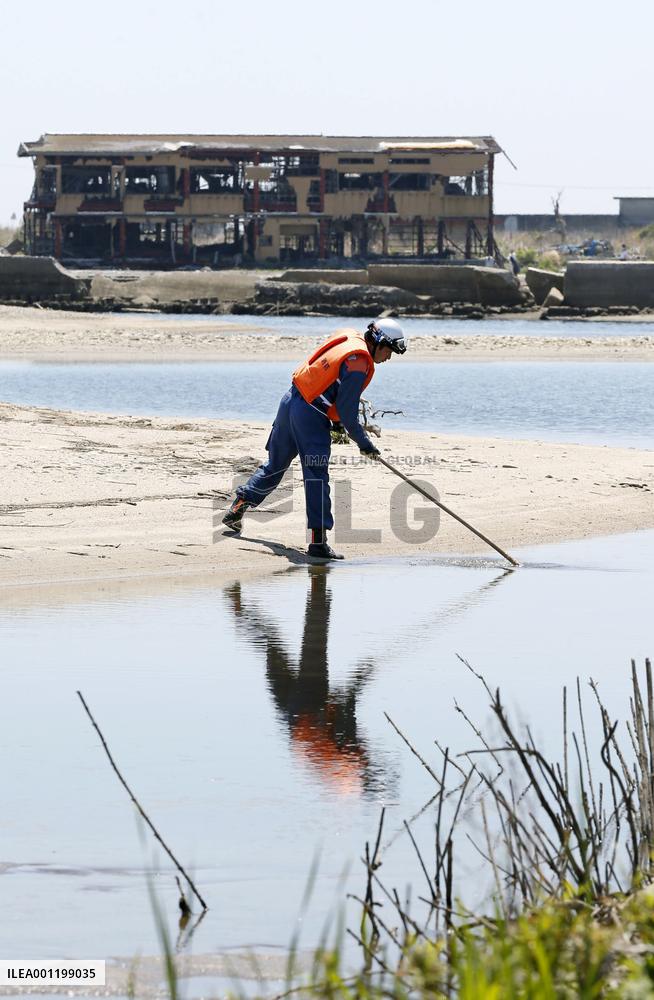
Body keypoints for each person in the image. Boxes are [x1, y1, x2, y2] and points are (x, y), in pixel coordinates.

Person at [222, 318, 408, 561]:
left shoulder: (349, 338)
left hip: (290, 401)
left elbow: (329, 383)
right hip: (311, 415)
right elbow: (348, 413)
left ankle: (239, 504)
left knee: (275, 465)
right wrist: (365, 444)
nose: (389, 357)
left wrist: (337, 424)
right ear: (379, 342)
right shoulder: (359, 363)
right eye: (389, 351)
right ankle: (318, 543)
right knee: (316, 475)